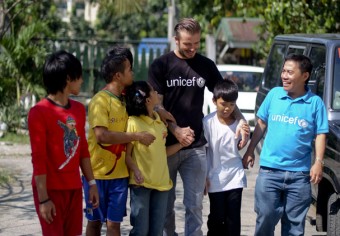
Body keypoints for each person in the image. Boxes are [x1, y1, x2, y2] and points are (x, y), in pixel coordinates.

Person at [148, 17, 249, 236]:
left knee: (194, 204)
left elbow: (226, 96)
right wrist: (176, 131)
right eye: (187, 44)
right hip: (166, 147)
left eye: (196, 43)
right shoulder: (161, 65)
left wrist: (241, 121)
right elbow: (156, 106)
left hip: (195, 147)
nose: (192, 48)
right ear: (176, 40)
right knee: (167, 204)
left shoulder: (206, 65)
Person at [243, 54, 329, 236]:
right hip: (269, 171)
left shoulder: (315, 103)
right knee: (265, 217)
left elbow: (321, 133)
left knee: (294, 226)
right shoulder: (274, 95)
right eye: (283, 71)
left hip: (299, 175)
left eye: (290, 72)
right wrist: (250, 150)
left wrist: (319, 162)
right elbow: (261, 124)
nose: (284, 75)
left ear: (304, 76)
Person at [83, 46, 156, 236]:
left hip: (120, 176)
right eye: (129, 69)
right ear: (118, 76)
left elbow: (150, 100)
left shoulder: (126, 100)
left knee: (114, 225)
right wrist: (137, 136)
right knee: (95, 222)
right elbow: (102, 136)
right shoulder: (100, 100)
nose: (132, 73)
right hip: (97, 175)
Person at [28, 50, 99, 236]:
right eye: (79, 76)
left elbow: (83, 149)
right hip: (50, 192)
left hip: (74, 189)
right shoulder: (38, 112)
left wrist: (92, 183)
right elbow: (39, 159)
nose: (82, 81)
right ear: (69, 78)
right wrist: (43, 200)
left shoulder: (78, 110)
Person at [124, 81, 191, 236]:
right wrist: (135, 170)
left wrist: (182, 144)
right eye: (153, 91)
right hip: (141, 185)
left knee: (156, 232)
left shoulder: (160, 122)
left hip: (162, 184)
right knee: (140, 231)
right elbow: (127, 156)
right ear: (148, 100)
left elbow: (163, 152)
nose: (156, 93)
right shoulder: (133, 122)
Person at [203, 79, 247, 236]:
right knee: (217, 217)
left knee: (233, 219)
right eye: (223, 104)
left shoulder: (239, 124)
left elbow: (243, 144)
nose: (227, 108)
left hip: (235, 176)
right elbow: (204, 152)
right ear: (214, 101)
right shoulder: (207, 123)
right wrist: (204, 176)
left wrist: (246, 141)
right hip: (215, 177)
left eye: (232, 104)